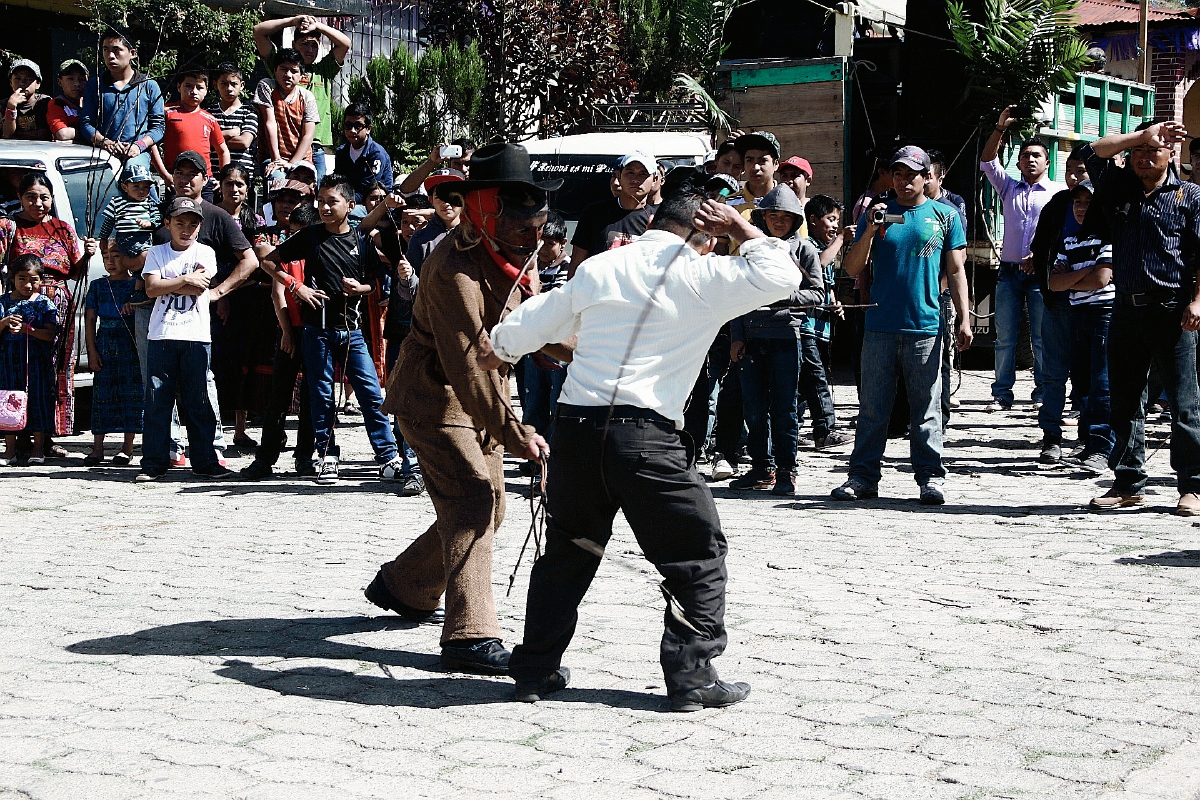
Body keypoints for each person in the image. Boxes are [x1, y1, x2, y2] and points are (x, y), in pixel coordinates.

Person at [481, 185, 801, 710]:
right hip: (646, 439)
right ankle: (692, 677)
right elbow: (783, 276)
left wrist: (497, 350)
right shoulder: (704, 275)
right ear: (708, 233)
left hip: (577, 431)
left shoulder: (602, 267)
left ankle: (534, 671)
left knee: (568, 552)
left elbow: (528, 324)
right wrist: (744, 229)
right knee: (696, 555)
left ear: (653, 221)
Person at [364, 143, 565, 675]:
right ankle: (469, 636)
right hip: (434, 399)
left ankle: (405, 585)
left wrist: (587, 352)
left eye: (537, 224)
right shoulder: (452, 269)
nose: (533, 236)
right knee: (473, 502)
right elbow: (468, 364)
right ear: (482, 209)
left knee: (490, 508)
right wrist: (516, 432)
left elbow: (527, 326)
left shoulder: (513, 254)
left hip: (482, 400)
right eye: (520, 223)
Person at [832, 146, 973, 505]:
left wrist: (965, 318)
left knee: (926, 408)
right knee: (873, 409)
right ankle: (862, 477)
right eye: (897, 173)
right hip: (879, 326)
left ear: (927, 177)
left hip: (925, 326)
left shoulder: (945, 215)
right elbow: (852, 268)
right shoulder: (878, 213)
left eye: (911, 174)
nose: (903, 180)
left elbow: (956, 269)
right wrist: (868, 230)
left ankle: (930, 478)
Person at [1080, 121, 1200, 515]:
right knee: (1127, 400)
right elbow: (1091, 151)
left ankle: (1193, 486)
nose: (1144, 158)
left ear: (1171, 155)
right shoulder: (1119, 188)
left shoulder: (1190, 196)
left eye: (1153, 150)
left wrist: (1197, 302)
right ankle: (1128, 482)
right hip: (1127, 308)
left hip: (1173, 310)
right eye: (1139, 152)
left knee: (1184, 403)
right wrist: (1141, 136)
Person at [257, 175, 404, 484]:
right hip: (317, 332)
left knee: (371, 395)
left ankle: (388, 457)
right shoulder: (309, 236)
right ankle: (327, 457)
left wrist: (361, 289)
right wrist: (296, 285)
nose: (324, 207)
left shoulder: (361, 239)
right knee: (321, 397)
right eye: (320, 201)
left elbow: (375, 280)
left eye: (331, 202)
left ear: (350, 206)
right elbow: (268, 261)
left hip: (352, 332)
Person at [147, 151, 259, 467]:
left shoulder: (216, 219)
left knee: (200, 391)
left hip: (199, 327)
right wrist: (183, 280)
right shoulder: (160, 222)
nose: (185, 179)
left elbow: (244, 263)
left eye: (192, 174)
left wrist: (218, 291)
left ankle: (209, 454)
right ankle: (162, 455)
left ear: (205, 179)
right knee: (158, 395)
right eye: (179, 173)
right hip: (161, 326)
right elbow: (151, 284)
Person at [728, 183, 824, 495]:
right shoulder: (752, 249)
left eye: (785, 216)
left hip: (786, 338)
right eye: (773, 215)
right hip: (751, 339)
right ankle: (761, 467)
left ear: (796, 219)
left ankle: (786, 470)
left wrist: (783, 297)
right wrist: (737, 336)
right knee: (754, 409)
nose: (779, 221)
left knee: (785, 409)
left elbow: (817, 294)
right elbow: (738, 295)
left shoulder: (804, 250)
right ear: (762, 217)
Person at [137, 197, 233, 482]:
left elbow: (201, 284)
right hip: (162, 334)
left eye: (193, 224)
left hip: (196, 335)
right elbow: (151, 288)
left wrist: (169, 283)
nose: (186, 229)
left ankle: (205, 460)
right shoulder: (156, 253)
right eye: (180, 223)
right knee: (157, 401)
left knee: (198, 400)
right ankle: (154, 462)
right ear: (168, 224)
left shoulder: (206, 252)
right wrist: (183, 281)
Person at [0, 173, 98, 447]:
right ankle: (17, 432)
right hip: (20, 306)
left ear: (52, 199)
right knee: (20, 369)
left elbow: (75, 272)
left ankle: (47, 437)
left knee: (54, 369)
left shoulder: (62, 228)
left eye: (44, 197)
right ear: (19, 198)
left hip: (58, 307)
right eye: (30, 197)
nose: (38, 203)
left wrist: (88, 255)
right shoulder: (9, 227)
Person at [981, 107, 1065, 412]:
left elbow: (1063, 234)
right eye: (1025, 155)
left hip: (1041, 273)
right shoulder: (1008, 188)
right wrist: (999, 128)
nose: (1030, 159)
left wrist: (1041, 256)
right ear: (1017, 162)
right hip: (1009, 272)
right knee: (1004, 337)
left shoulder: (1058, 193)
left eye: (1036, 155)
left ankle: (1042, 392)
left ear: (1047, 162)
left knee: (1042, 337)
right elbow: (987, 161)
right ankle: (1001, 393)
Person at [241, 189, 319, 480]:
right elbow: (277, 293)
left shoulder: (323, 253)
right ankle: (265, 458)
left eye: (301, 233)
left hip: (317, 332)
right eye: (292, 232)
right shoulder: (286, 254)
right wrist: (286, 332)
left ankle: (305, 456)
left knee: (312, 397)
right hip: (291, 329)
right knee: (279, 397)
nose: (295, 238)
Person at [1046, 180, 1114, 476]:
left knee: (1103, 383)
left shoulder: (1108, 237)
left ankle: (1103, 446)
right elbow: (1054, 283)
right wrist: (1087, 271)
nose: (1082, 208)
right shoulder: (1070, 240)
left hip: (1104, 314)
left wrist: (1074, 276)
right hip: (1078, 313)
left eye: (1088, 202)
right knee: (1082, 382)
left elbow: (1102, 280)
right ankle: (1086, 441)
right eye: (1077, 202)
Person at [1027, 144, 1090, 464]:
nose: (1074, 178)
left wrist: (1076, 277)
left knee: (1087, 374)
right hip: (1057, 301)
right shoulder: (1058, 204)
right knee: (1053, 373)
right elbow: (1040, 249)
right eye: (1070, 171)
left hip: (1093, 305)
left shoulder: (1104, 205)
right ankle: (1051, 435)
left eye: (1081, 171)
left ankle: (1088, 438)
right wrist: (1051, 281)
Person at [253, 14, 351, 182]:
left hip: (315, 146)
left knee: (317, 191)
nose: (310, 50)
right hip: (285, 147)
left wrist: (318, 26)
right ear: (294, 44)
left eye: (314, 45)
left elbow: (345, 44)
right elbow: (258, 31)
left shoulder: (324, 70)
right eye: (305, 44)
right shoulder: (283, 67)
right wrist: (292, 21)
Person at [214, 164, 271, 448]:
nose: (234, 189)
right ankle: (214, 431)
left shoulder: (255, 220)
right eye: (229, 183)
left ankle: (240, 428)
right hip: (214, 295)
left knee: (245, 362)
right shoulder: (210, 216)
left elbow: (261, 258)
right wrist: (221, 294)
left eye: (239, 184)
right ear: (220, 186)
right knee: (218, 362)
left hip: (248, 296)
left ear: (247, 189)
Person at [802, 194, 852, 449]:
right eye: (831, 219)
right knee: (816, 378)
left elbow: (826, 285)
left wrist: (834, 302)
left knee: (805, 383)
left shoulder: (826, 246)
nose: (835, 226)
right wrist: (841, 238)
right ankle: (825, 430)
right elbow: (819, 264)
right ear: (813, 220)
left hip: (821, 327)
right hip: (806, 326)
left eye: (837, 221)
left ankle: (794, 429)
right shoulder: (808, 246)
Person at [84, 245, 141, 466]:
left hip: (130, 344)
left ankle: (127, 447)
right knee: (102, 394)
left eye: (116, 256)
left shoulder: (136, 284)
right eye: (106, 257)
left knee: (130, 395)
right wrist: (92, 351)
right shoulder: (98, 285)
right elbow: (90, 319)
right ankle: (97, 447)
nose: (110, 262)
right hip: (105, 343)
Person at [0, 255, 58, 466]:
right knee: (8, 401)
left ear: (41, 280)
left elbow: (50, 334)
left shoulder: (44, 303)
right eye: (22, 279)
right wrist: (5, 322)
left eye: (33, 280)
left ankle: (38, 448)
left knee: (38, 400)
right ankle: (10, 450)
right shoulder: (3, 302)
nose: (27, 284)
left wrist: (28, 330)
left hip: (36, 362)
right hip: (8, 361)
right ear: (12, 279)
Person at [519, 210, 570, 448]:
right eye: (541, 243)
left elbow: (553, 300)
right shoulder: (532, 265)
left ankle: (553, 449)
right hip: (533, 341)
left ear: (563, 243)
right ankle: (532, 448)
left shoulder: (568, 266)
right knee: (533, 397)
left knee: (556, 397)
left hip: (559, 340)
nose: (544, 250)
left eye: (550, 244)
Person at [569, 150, 661, 272]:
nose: (635, 179)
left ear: (654, 179)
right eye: (630, 172)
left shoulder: (659, 219)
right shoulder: (594, 213)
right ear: (619, 176)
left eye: (643, 174)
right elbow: (576, 264)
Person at [81, 31, 165, 161]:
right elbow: (86, 123)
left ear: (132, 53)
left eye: (116, 50)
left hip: (137, 155)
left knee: (134, 171)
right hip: (103, 153)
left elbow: (158, 127)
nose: (110, 56)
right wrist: (105, 142)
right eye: (106, 50)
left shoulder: (148, 85)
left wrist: (139, 145)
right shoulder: (95, 85)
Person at [150, 70, 228, 189]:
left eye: (199, 87)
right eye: (188, 86)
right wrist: (165, 175)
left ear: (206, 90)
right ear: (178, 87)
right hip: (175, 180)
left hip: (204, 182)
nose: (194, 91)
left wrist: (223, 179)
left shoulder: (210, 119)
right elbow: (151, 143)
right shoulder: (166, 112)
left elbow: (223, 151)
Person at [254, 49, 319, 181]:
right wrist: (277, 160)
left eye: (294, 71)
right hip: (272, 158)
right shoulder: (267, 87)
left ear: (301, 75)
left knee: (306, 186)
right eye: (283, 69)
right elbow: (269, 123)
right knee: (277, 180)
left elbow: (308, 135)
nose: (288, 75)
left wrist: (291, 164)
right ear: (275, 70)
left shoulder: (307, 97)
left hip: (301, 159)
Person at [98, 156, 161, 274]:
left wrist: (150, 224)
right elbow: (108, 222)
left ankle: (138, 279)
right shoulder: (117, 202)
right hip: (126, 238)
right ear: (125, 187)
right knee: (148, 256)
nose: (141, 191)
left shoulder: (150, 203)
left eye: (146, 187)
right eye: (136, 186)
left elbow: (157, 219)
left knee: (146, 265)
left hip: (145, 238)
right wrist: (103, 238)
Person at [405, 170, 464, 274]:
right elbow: (414, 282)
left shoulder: (476, 236)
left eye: (452, 195)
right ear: (431, 200)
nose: (446, 202)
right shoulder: (420, 239)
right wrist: (408, 277)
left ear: (464, 198)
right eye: (439, 196)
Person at [334, 102, 393, 202]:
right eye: (348, 125)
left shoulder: (377, 154)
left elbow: (366, 192)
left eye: (358, 126)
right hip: (347, 201)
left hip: (376, 203)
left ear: (368, 129)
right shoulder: (341, 152)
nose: (352, 130)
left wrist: (340, 202)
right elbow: (338, 182)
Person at [210, 64, 258, 176]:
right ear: (216, 85)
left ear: (242, 85)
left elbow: (244, 142)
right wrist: (230, 133)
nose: (229, 89)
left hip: (242, 176)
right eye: (224, 84)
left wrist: (214, 140)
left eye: (234, 84)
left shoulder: (249, 112)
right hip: (213, 175)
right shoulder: (209, 113)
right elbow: (202, 140)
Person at [727, 131, 781, 225]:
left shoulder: (790, 203)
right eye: (749, 160)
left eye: (762, 161)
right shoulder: (728, 205)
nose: (755, 167)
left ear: (775, 164)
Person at [397, 139, 476, 195]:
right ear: (449, 164)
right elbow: (406, 190)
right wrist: (432, 162)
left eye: (468, 164)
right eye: (457, 164)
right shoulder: (441, 185)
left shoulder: (481, 188)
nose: (463, 169)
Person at [3, 58, 51, 140]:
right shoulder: (3, 105)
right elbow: (7, 135)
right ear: (11, 82)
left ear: (38, 84)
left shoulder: (44, 102)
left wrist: (16, 135)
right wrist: (11, 108)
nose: (22, 83)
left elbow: (45, 134)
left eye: (29, 79)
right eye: (18, 78)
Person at [45, 60, 88, 143]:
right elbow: (62, 134)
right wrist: (90, 134)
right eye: (70, 79)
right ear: (60, 82)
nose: (77, 83)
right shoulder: (57, 104)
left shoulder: (94, 102)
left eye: (82, 79)